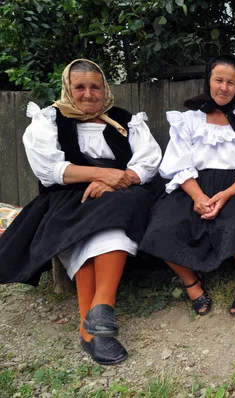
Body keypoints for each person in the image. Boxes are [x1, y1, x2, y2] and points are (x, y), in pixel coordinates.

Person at [0, 59, 162, 364]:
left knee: (120, 213)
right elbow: (49, 168)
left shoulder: (125, 120)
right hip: (67, 198)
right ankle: (94, 328)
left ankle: (98, 314)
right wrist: (101, 175)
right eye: (80, 87)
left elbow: (148, 160)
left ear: (105, 89)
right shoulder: (49, 120)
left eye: (95, 87)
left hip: (121, 195)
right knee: (91, 232)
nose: (88, 94)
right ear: (68, 89)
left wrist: (119, 181)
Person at [139, 55, 235, 317]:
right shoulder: (187, 121)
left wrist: (227, 193)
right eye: (219, 80)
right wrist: (198, 197)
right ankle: (191, 281)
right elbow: (177, 162)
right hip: (193, 184)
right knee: (162, 227)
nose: (224, 87)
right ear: (207, 81)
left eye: (231, 82)